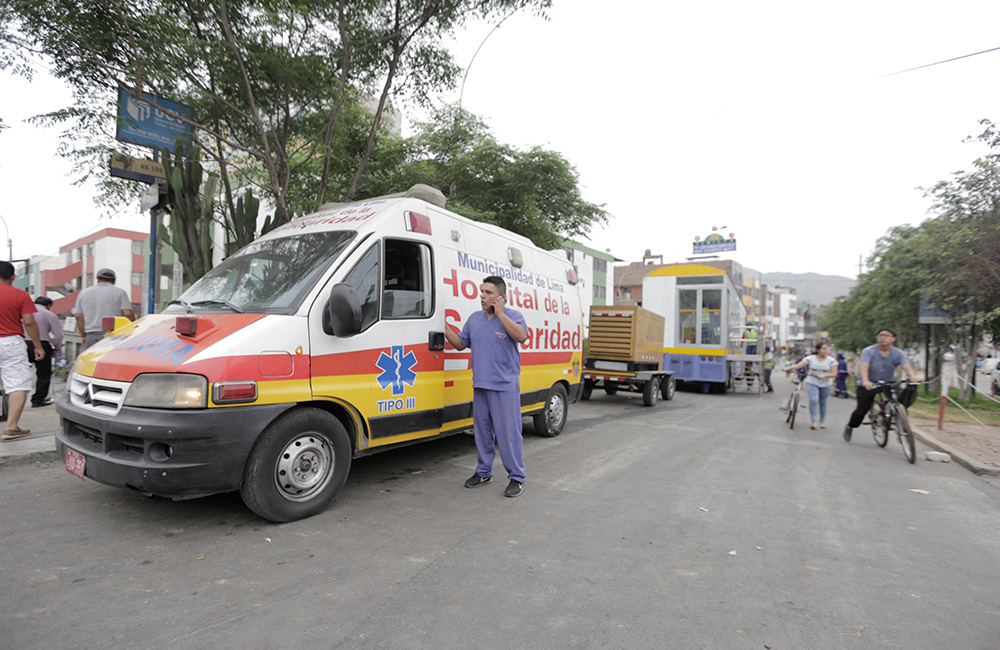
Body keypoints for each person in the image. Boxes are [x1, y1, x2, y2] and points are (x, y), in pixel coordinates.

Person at [444, 275, 529, 498]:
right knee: (482, 433)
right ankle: (484, 472)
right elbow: (460, 344)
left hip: (504, 386)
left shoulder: (513, 316)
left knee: (508, 435)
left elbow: (522, 336)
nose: (482, 296)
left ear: (501, 297)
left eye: (488, 292)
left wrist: (500, 314)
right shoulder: (474, 319)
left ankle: (517, 478)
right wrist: (441, 325)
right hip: (481, 384)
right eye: (481, 291)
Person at [843, 328, 919, 442]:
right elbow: (864, 366)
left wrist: (912, 376)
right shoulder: (869, 351)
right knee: (861, 411)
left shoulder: (898, 353)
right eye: (880, 335)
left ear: (893, 339)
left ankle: (903, 431)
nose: (882, 337)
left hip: (888, 383)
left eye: (886, 335)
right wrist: (865, 381)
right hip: (869, 383)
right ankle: (850, 426)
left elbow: (906, 366)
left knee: (902, 404)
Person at [0, 261, 45, 440]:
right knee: (17, 384)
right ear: (13, 277)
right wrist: (38, 346)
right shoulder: (20, 295)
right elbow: (28, 322)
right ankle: (11, 426)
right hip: (11, 342)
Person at [73, 268, 136, 350]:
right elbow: (128, 314)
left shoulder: (83, 293)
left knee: (92, 361)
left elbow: (79, 317)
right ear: (114, 281)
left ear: (98, 279)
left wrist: (83, 336)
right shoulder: (120, 293)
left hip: (92, 335)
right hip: (114, 336)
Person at [782, 341, 838, 430]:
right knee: (814, 400)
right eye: (823, 349)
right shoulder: (810, 358)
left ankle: (822, 422)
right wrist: (788, 368)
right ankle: (814, 421)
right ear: (818, 350)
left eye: (826, 349)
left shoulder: (831, 361)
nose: (825, 350)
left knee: (823, 403)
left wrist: (824, 375)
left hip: (826, 384)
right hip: (812, 382)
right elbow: (798, 366)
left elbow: (834, 374)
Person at [24, 296, 62, 407]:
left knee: (20, 373)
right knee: (43, 374)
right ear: (49, 305)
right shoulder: (50, 314)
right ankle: (38, 400)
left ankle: (15, 399)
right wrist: (56, 348)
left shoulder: (24, 312)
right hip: (42, 344)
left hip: (23, 344)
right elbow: (58, 335)